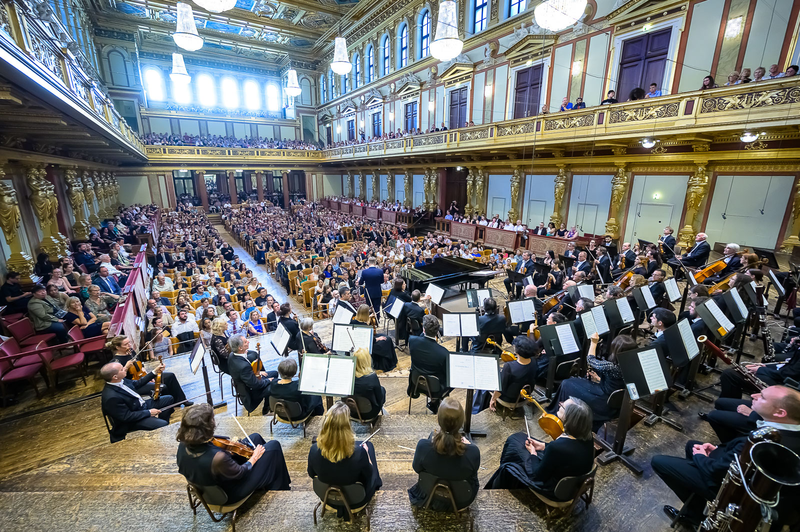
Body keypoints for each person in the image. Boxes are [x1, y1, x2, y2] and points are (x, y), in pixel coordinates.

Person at [652, 385, 800, 529]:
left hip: (734, 492)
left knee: (659, 462)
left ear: (780, 413)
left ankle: (695, 518)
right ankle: (695, 504)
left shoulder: (766, 442)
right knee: (692, 445)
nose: (753, 396)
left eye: (762, 397)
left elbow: (717, 471)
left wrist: (701, 457)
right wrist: (717, 449)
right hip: (734, 470)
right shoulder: (789, 432)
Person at [176, 403, 291, 502]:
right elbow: (240, 472)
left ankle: (268, 479)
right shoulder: (218, 458)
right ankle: (281, 487)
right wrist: (254, 457)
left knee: (255, 438)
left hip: (213, 481)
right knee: (274, 446)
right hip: (229, 493)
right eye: (212, 419)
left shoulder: (183, 445)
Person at [485, 397, 595, 499]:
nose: (559, 404)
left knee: (514, 443)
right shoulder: (588, 439)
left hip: (553, 489)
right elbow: (566, 457)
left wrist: (533, 452)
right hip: (572, 484)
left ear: (569, 418)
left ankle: (505, 478)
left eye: (562, 406)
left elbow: (537, 476)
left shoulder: (557, 447)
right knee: (519, 439)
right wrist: (543, 446)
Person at [307, 401, 383, 518]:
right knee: (369, 447)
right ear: (347, 426)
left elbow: (312, 474)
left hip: (327, 497)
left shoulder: (313, 450)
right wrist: (367, 456)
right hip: (356, 500)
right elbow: (368, 477)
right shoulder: (359, 453)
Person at [547, 334, 636, 431]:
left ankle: (559, 415)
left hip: (603, 400)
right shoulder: (633, 366)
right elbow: (617, 383)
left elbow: (590, 359)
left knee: (566, 384)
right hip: (615, 400)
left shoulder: (612, 367)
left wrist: (594, 343)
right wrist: (600, 380)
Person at [408, 398, 480, 511]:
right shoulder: (473, 452)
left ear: (438, 419)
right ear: (461, 422)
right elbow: (473, 477)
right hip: (461, 500)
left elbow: (417, 468)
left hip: (429, 494)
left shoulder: (423, 446)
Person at [100, 361, 174, 443]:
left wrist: (154, 372)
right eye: (122, 369)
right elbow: (126, 417)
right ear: (115, 377)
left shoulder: (121, 380)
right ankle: (161, 427)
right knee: (162, 424)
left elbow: (138, 383)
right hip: (132, 420)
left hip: (140, 406)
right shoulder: (111, 397)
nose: (125, 369)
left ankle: (161, 424)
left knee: (168, 399)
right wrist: (149, 413)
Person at [107, 335, 190, 403]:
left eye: (129, 343)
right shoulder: (115, 362)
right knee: (162, 386)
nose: (129, 346)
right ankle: (168, 404)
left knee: (170, 376)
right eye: (125, 344)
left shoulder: (131, 351)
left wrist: (147, 376)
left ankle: (181, 400)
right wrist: (126, 367)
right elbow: (120, 380)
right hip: (135, 384)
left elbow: (141, 366)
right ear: (117, 347)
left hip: (143, 377)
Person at [408, 315, 451, 413]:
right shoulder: (443, 353)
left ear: (423, 330)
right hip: (435, 388)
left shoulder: (412, 341)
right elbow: (447, 375)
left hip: (416, 383)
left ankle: (434, 403)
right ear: (437, 332)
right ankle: (436, 403)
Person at [227, 334, 277, 415]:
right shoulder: (243, 367)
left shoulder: (232, 354)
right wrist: (268, 380)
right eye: (246, 342)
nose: (248, 342)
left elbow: (247, 372)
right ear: (240, 348)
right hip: (250, 393)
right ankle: (266, 408)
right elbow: (256, 385)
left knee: (275, 373)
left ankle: (269, 404)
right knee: (273, 383)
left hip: (248, 381)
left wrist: (258, 372)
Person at [487, 335, 539, 414]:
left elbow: (500, 388)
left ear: (517, 351)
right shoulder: (534, 361)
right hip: (524, 396)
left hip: (509, 399)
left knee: (486, 386)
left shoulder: (509, 366)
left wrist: (493, 399)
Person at [352, 347, 386, 419]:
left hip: (352, 412)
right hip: (370, 413)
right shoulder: (372, 377)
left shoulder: (350, 377)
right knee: (382, 390)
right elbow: (379, 398)